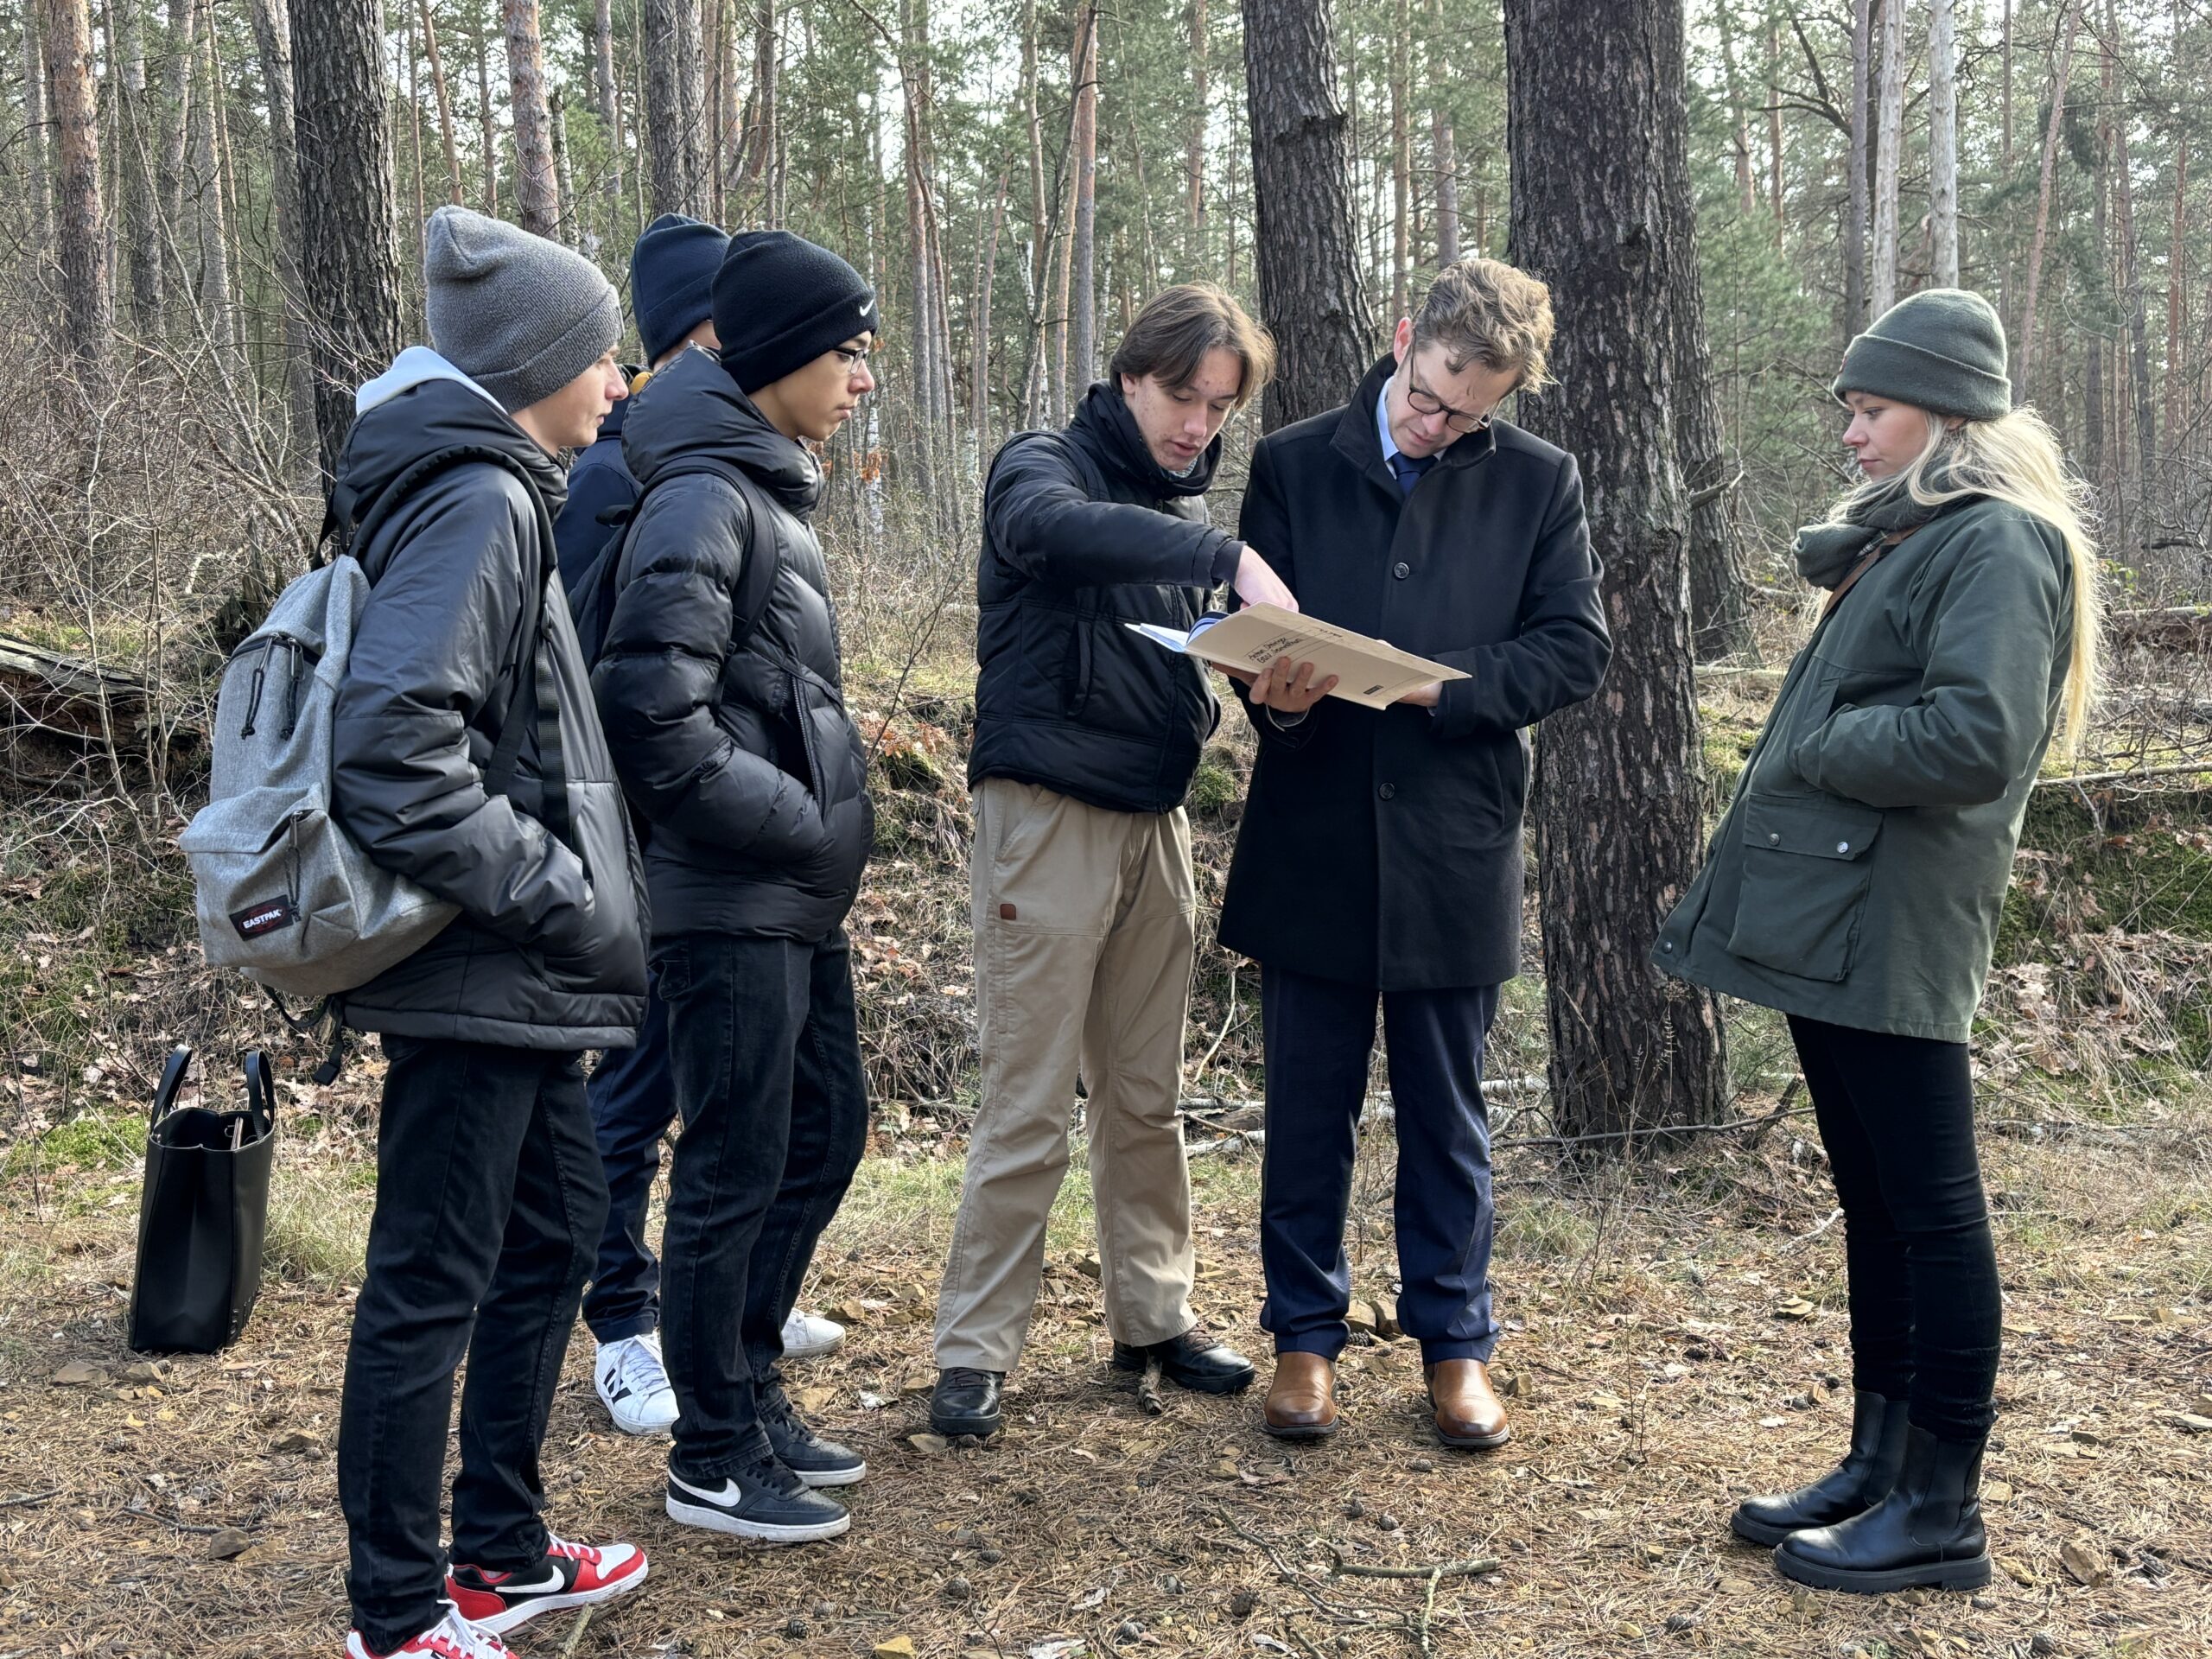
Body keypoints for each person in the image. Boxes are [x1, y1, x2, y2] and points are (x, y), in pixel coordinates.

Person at [1655, 288, 2100, 1594]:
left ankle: (1943, 1511)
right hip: (1841, 916)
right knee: (1877, 1205)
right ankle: (1881, 1462)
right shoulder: (1919, 538)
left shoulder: (1999, 543)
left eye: (1873, 410)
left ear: (1947, 414)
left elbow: (1975, 740)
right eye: (1849, 410)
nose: (1852, 434)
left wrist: (1818, 745)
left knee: (1935, 1213)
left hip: (1898, 918)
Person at [330, 206, 651, 1659]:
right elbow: (395, 745)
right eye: (602, 352)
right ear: (537, 359)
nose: (620, 377)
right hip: (482, 963)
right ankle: (397, 1617)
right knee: (430, 1288)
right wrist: (547, 885)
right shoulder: (481, 497)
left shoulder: (501, 485)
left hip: (522, 973)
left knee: (551, 1243)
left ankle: (500, 1554)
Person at [1219, 258, 1609, 1449]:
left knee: (1449, 1114)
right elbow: (1254, 644)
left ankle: (1456, 1347)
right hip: (1315, 831)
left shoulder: (1541, 481)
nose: (1441, 428)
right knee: (1307, 1104)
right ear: (1404, 341)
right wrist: (1276, 697)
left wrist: (1451, 692)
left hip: (1456, 838)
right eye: (1433, 397)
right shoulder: (1290, 462)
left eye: (1471, 415)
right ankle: (1303, 1339)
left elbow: (1574, 648)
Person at [929, 284, 1294, 1440]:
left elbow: (1195, 661)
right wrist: (1229, 552)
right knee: (1028, 1099)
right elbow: (1048, 534)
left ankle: (1153, 1315)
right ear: (1130, 375)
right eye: (1183, 395)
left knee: (1145, 1097)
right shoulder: (1044, 467)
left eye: (1219, 406)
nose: (1199, 424)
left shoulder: (1169, 511)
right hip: (1045, 818)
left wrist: (1271, 679)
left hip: (1155, 823)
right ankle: (975, 1349)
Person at [591, 230, 879, 1543]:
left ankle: (746, 1387)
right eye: (848, 352)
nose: (863, 377)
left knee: (822, 1134)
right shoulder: (705, 494)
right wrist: (798, 820)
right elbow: (651, 714)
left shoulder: (767, 488)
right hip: (727, 898)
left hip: (789, 900)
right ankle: (710, 1454)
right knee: (733, 1166)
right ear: (773, 359)